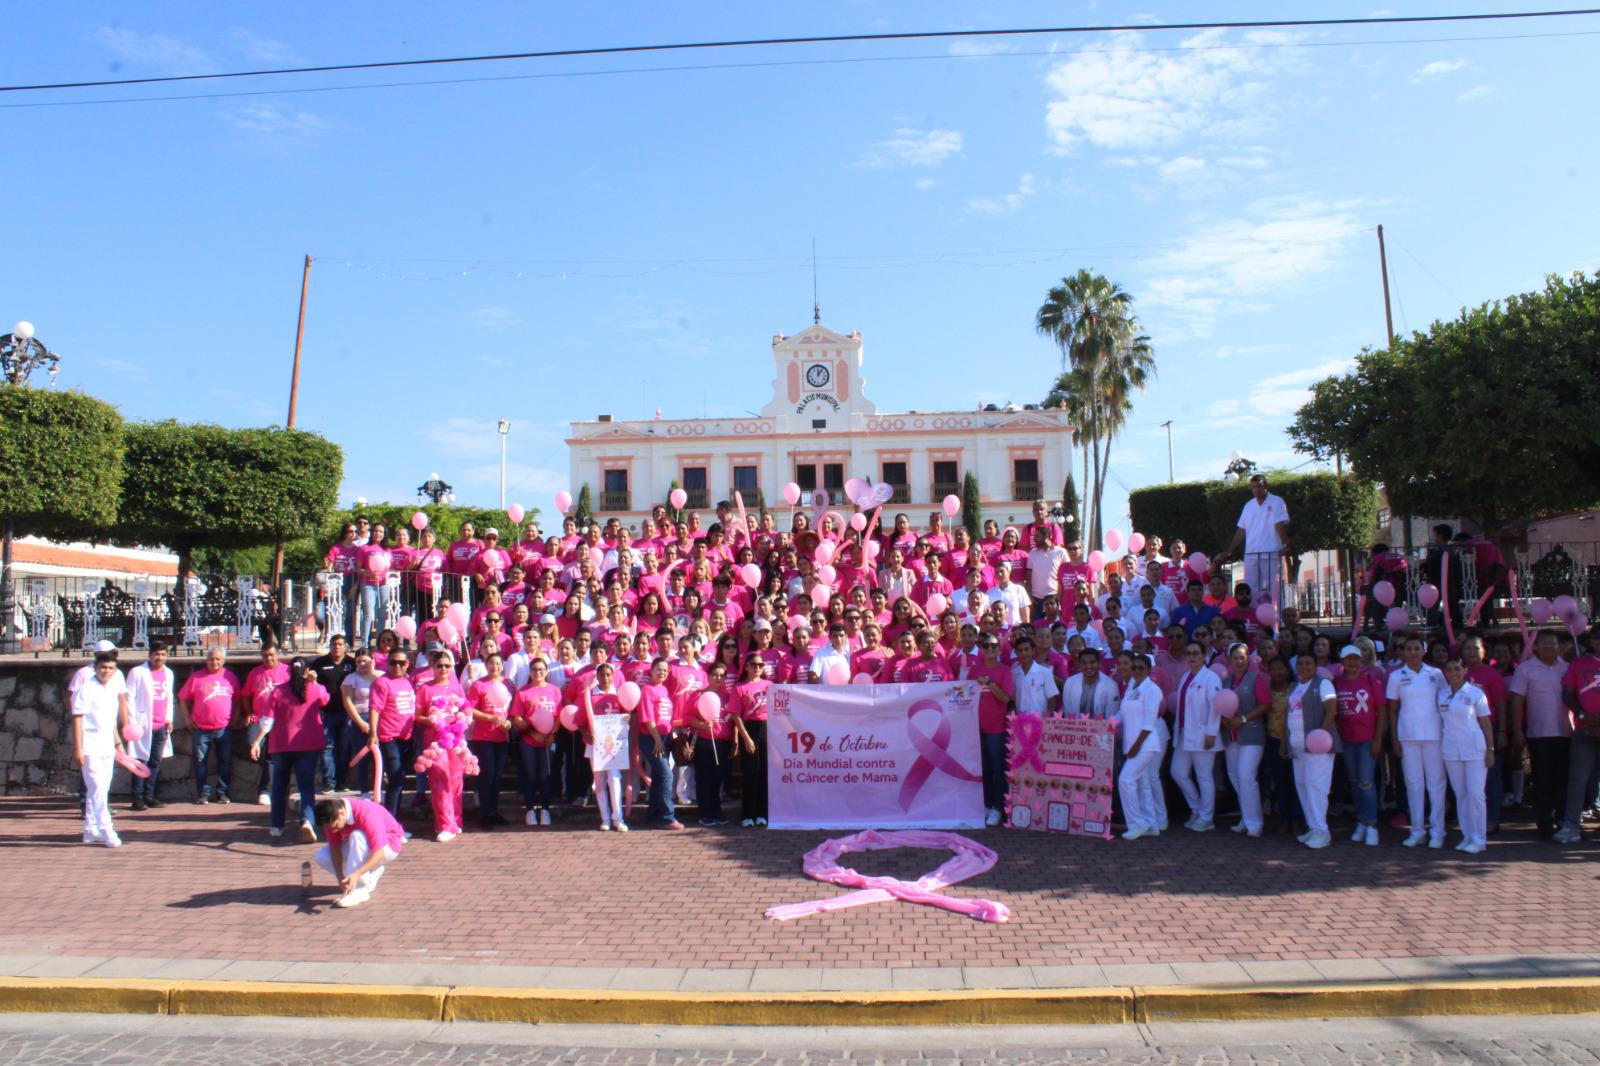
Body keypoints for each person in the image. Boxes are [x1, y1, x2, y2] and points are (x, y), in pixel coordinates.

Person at [254, 658, 329, 843]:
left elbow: (267, 721)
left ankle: (277, 826)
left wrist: (257, 741)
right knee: (306, 786)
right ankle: (307, 820)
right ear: (307, 671)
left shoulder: (278, 691)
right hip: (308, 743)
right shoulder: (314, 689)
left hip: (281, 744)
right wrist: (315, 681)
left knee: (279, 787)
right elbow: (326, 700)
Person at [1509, 631, 1573, 839]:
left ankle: (1562, 819)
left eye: (1552, 643)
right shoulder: (1525, 670)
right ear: (1535, 647)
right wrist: (1517, 730)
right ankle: (1544, 822)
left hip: (1567, 732)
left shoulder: (1568, 668)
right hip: (1539, 734)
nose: (1548, 647)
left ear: (1559, 647)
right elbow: (1517, 701)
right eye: (1544, 643)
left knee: (1564, 780)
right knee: (1543, 780)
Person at [1387, 636, 1448, 848]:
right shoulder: (1396, 676)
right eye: (1408, 649)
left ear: (1424, 651)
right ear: (1403, 652)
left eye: (1416, 648)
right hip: (1408, 736)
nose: (1412, 652)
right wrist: (1394, 738)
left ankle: (1438, 831)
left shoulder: (1436, 674)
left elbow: (1444, 703)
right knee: (1414, 784)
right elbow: (1393, 709)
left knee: (1436, 784)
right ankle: (1417, 830)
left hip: (1434, 735)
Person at [73, 651, 130, 847]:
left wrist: (118, 744)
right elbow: (78, 719)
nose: (107, 671)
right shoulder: (85, 689)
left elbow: (111, 722)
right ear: (96, 668)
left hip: (107, 746)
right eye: (103, 667)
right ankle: (107, 829)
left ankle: (90, 830)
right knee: (97, 787)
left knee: (100, 789)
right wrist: (79, 748)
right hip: (90, 746)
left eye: (111, 668)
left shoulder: (112, 690)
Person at [1439, 657, 1495, 853]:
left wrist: (1490, 749)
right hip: (1451, 750)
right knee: (1461, 794)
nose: (1453, 673)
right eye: (1449, 669)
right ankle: (1467, 835)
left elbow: (1486, 723)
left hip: (1474, 750)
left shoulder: (1475, 693)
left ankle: (1479, 839)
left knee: (1475, 793)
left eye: (1457, 669)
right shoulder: (1442, 694)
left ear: (1464, 670)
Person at [1333, 644, 1386, 846]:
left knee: (1366, 783)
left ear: (1362, 661)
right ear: (1342, 662)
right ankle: (1361, 821)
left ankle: (1372, 825)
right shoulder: (1336, 682)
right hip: (1347, 741)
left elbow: (1381, 711)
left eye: (1356, 659)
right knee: (1354, 783)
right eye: (1348, 659)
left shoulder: (1371, 680)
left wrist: (1378, 739)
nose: (1352, 663)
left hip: (1367, 741)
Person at [1285, 652, 1339, 849]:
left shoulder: (1323, 684)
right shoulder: (1294, 686)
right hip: (1298, 747)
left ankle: (1322, 831)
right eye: (1301, 663)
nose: (1304, 666)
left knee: (1317, 787)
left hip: (1318, 748)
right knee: (1303, 786)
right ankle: (1312, 828)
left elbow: (1332, 711)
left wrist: (1320, 736)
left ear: (1316, 666)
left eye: (1308, 663)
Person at [313, 797, 404, 909]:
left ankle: (358, 889)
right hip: (365, 846)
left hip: (388, 846)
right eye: (329, 828)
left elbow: (379, 851)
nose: (333, 831)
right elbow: (335, 848)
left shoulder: (366, 814)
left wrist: (357, 874)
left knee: (357, 836)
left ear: (341, 813)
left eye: (335, 826)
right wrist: (340, 876)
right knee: (322, 857)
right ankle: (365, 875)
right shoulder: (332, 815)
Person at [1171, 640, 1223, 831]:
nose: (1192, 657)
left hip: (1203, 734)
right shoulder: (1185, 675)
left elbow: (1216, 708)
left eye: (1196, 653)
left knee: (1204, 776)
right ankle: (1197, 808)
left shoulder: (1211, 678)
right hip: (1184, 733)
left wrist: (1211, 732)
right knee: (1177, 772)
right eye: (1189, 653)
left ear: (1204, 656)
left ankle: (1207, 817)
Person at [1554, 627, 1600, 845]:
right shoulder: (1579, 664)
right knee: (1578, 779)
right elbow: (1567, 692)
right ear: (1592, 641)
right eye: (1597, 638)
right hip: (1585, 728)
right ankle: (1571, 826)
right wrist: (1582, 713)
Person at [1216, 473, 1290, 607]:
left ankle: (1278, 621)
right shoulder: (1249, 505)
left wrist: (1286, 545)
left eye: (1260, 486)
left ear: (1266, 486)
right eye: (1254, 487)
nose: (1257, 490)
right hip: (1251, 553)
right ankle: (1254, 620)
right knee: (1251, 589)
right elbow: (1241, 530)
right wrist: (1229, 550)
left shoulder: (1277, 501)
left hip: (1271, 552)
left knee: (1274, 588)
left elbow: (1279, 525)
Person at [1221, 642, 1270, 837]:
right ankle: (1246, 816)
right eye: (1235, 657)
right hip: (1231, 737)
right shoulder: (1227, 681)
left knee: (1246, 777)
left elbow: (1266, 703)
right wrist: (1225, 719)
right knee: (1235, 777)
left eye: (1242, 657)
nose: (1239, 661)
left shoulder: (1255, 678)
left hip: (1251, 735)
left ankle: (1254, 823)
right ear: (1229, 660)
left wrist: (1242, 718)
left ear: (1248, 659)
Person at [178, 646, 238, 804]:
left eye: (218, 659)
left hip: (223, 729)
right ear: (207, 660)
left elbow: (239, 698)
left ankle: (222, 793)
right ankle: (203, 794)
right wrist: (187, 719)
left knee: (225, 762)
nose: (215, 662)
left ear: (224, 660)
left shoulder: (230, 677)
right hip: (201, 729)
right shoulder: (196, 677)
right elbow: (183, 698)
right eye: (211, 659)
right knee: (200, 762)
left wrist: (236, 717)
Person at [466, 651, 515, 830]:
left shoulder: (509, 684)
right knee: (487, 774)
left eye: (498, 663)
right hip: (483, 737)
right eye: (491, 663)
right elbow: (471, 710)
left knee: (497, 776)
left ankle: (494, 811)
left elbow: (512, 710)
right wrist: (492, 718)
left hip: (502, 737)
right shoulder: (479, 685)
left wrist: (508, 723)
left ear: (503, 666)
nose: (495, 667)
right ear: (486, 666)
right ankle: (485, 813)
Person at [1118, 653, 1165, 840]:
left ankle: (1137, 823)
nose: (1136, 671)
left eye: (1141, 668)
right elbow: (1122, 713)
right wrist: (1107, 724)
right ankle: (1151, 824)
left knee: (1125, 781)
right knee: (1142, 785)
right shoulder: (1131, 687)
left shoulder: (1152, 690)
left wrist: (1137, 745)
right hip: (1131, 744)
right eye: (1134, 667)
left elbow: (1148, 722)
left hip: (1145, 745)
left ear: (1148, 670)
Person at [970, 634, 1015, 827]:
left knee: (998, 769)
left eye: (993, 646)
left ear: (999, 650)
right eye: (985, 645)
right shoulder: (974, 669)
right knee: (984, 770)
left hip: (996, 728)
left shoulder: (1005, 671)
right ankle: (987, 805)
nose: (989, 649)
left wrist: (989, 683)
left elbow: (1006, 698)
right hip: (976, 727)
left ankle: (998, 807)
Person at [511, 657, 562, 827]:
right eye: (534, 669)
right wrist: (533, 733)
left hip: (548, 739)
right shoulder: (522, 692)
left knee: (546, 776)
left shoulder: (555, 691)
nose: (538, 672)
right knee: (531, 775)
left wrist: (552, 734)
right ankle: (530, 810)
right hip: (529, 740)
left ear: (547, 672)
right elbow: (517, 717)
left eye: (541, 669)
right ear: (530, 672)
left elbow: (559, 715)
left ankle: (546, 810)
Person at [125, 641, 175, 811]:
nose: (159, 658)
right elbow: (128, 698)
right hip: (142, 724)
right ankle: (137, 797)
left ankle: (149, 795)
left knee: (155, 761)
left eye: (162, 654)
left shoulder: (168, 673)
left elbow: (169, 697)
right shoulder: (137, 672)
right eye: (156, 654)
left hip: (160, 724)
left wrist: (169, 718)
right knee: (140, 760)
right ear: (150, 655)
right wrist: (132, 722)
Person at [730, 654, 772, 828]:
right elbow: (736, 715)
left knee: (764, 774)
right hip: (750, 729)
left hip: (768, 729)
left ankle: (762, 814)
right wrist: (745, 738)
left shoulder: (770, 686)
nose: (757, 668)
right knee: (750, 774)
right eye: (753, 665)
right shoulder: (739, 687)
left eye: (760, 665)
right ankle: (747, 814)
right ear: (746, 666)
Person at [311, 636, 357, 794]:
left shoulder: (352, 664)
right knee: (327, 749)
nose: (337, 647)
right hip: (326, 713)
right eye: (334, 644)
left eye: (340, 644)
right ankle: (329, 783)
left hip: (346, 713)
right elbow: (311, 685)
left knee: (344, 749)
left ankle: (342, 782)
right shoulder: (319, 663)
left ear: (345, 647)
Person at [340, 647, 379, 796]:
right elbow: (348, 702)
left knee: (379, 756)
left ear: (372, 661)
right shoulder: (350, 678)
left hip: (379, 718)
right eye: (359, 661)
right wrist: (361, 723)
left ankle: (377, 789)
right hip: (359, 718)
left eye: (365, 661)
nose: (362, 664)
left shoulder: (381, 677)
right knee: (362, 754)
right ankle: (364, 790)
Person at [1060, 649, 1118, 719]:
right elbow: (1068, 713)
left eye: (1092, 662)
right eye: (1084, 663)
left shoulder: (1111, 685)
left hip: (1101, 728)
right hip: (1075, 728)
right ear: (1079, 664)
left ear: (1099, 663)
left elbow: (1110, 716)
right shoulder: (1070, 682)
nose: (1088, 666)